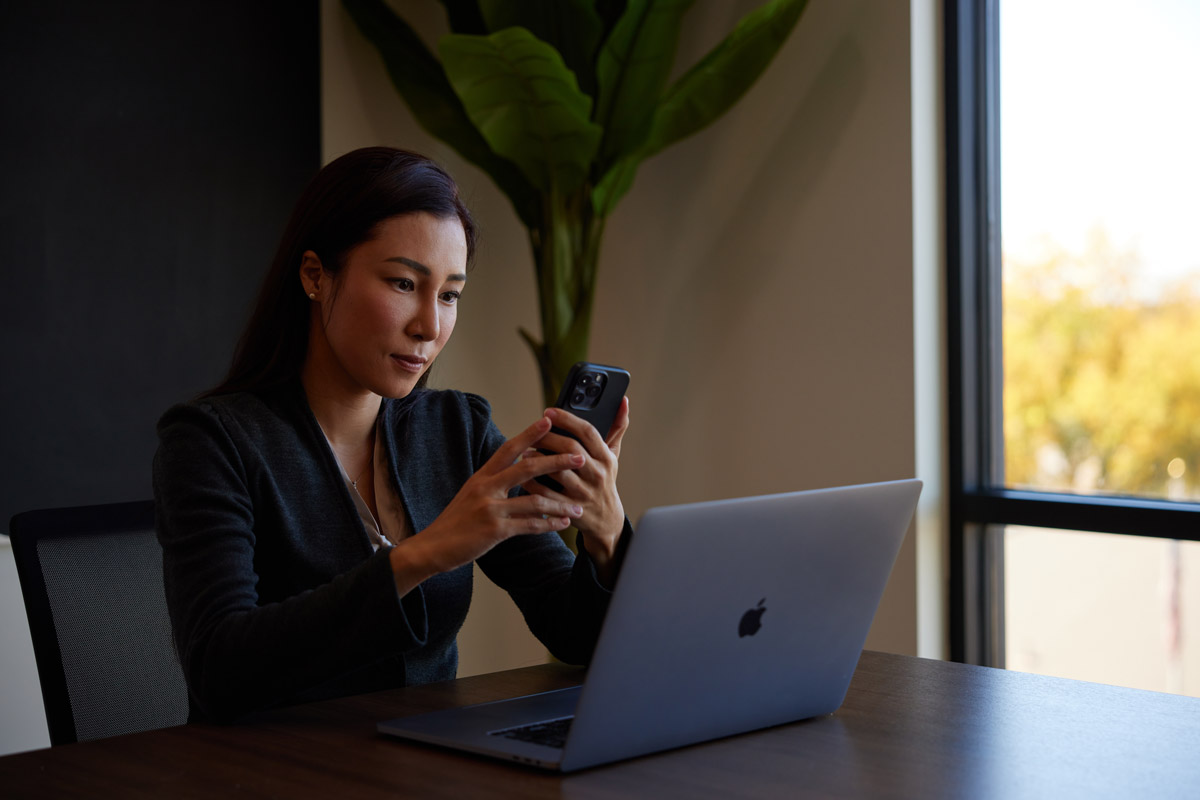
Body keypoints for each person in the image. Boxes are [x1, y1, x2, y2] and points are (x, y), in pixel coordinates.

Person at [153, 147, 632, 723]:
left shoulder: (457, 429)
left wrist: (605, 537)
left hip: (422, 763)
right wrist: (424, 554)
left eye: (449, 294)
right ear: (314, 276)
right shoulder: (212, 441)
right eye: (404, 283)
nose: (430, 325)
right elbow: (218, 671)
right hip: (271, 772)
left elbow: (574, 633)